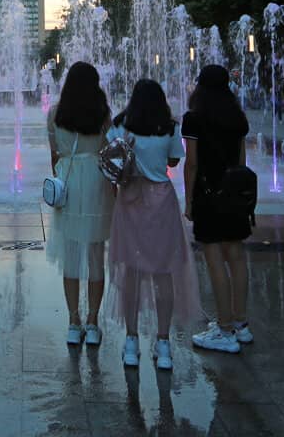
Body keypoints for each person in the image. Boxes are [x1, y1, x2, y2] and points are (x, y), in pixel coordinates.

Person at [105, 79, 199, 370]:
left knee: (130, 273)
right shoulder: (170, 128)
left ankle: (131, 341)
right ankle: (163, 343)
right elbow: (173, 162)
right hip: (161, 202)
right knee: (163, 273)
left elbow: (111, 159)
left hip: (130, 200)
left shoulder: (121, 125)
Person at [182, 64, 252, 354]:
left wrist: (188, 199)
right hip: (234, 194)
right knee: (235, 256)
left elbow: (192, 162)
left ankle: (224, 329)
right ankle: (240, 324)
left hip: (208, 195)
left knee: (214, 257)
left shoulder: (194, 118)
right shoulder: (237, 117)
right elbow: (242, 160)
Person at [47, 61, 114, 347]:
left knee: (71, 255)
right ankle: (93, 322)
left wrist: (63, 175)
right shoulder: (102, 115)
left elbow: (55, 156)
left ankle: (73, 321)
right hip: (98, 185)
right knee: (96, 255)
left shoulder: (55, 114)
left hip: (69, 183)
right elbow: (109, 152)